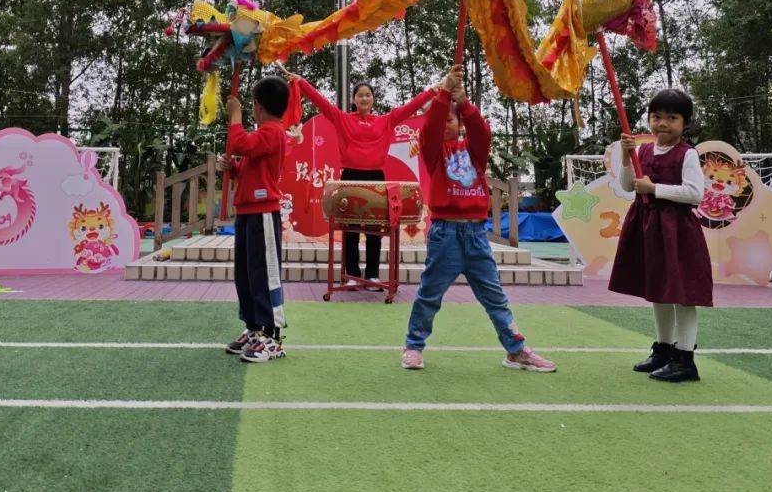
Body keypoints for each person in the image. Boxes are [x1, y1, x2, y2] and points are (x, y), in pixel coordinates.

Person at [401, 66, 556, 373]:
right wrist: (443, 94)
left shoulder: (475, 152)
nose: (445, 124)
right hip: (445, 234)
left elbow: (482, 132)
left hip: (475, 235)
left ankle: (515, 351)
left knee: (494, 296)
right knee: (430, 294)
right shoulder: (433, 153)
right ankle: (413, 346)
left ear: (460, 124)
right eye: (442, 119)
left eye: (451, 120)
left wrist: (464, 103)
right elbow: (429, 129)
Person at [292, 75, 436, 286]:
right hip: (350, 177)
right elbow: (321, 101)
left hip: (375, 178)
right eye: (360, 95)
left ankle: (372, 274)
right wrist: (301, 83)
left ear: (373, 99)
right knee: (349, 228)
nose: (364, 98)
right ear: (354, 99)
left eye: (368, 95)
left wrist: (432, 91)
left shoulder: (385, 120)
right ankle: (352, 274)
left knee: (375, 229)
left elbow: (410, 107)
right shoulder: (343, 118)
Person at [609, 88, 711, 382]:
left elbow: (695, 194)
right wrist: (626, 157)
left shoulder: (687, 154)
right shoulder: (642, 151)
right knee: (659, 291)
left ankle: (685, 359)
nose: (662, 123)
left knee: (682, 295)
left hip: (677, 232)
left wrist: (654, 189)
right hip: (648, 229)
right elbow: (628, 186)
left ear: (685, 123)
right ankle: (663, 350)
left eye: (672, 117)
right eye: (656, 117)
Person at [219, 76, 290, 363]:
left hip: (263, 213)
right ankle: (253, 328)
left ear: (258, 106)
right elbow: (248, 166)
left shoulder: (273, 132)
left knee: (264, 275)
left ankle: (273, 337)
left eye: (251, 105)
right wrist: (233, 168)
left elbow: (239, 143)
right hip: (248, 212)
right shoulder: (263, 135)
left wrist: (235, 115)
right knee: (246, 275)